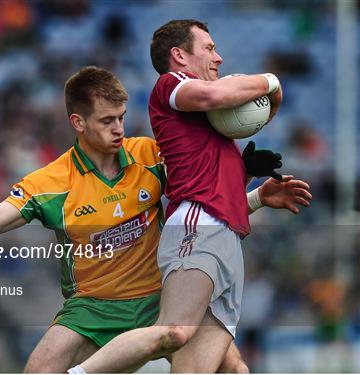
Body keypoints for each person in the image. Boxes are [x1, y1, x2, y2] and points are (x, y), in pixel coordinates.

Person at [0, 66, 310, 373]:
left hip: (162, 298)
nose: (119, 129)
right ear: (78, 123)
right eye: (107, 121)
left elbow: (200, 200)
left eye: (121, 118)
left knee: (233, 368)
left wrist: (247, 185)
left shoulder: (149, 155)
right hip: (91, 309)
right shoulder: (52, 182)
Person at [68, 19, 306, 374]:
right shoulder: (171, 84)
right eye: (209, 48)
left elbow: (215, 193)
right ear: (179, 55)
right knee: (173, 331)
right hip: (198, 232)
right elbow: (215, 95)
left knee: (231, 370)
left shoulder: (213, 125)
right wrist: (271, 81)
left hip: (224, 238)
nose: (219, 57)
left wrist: (254, 195)